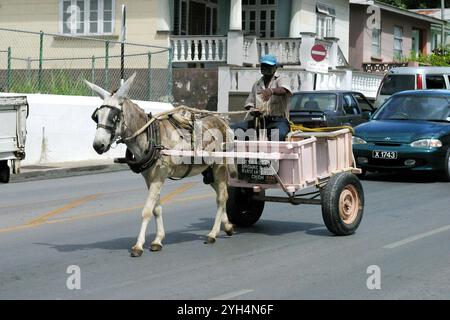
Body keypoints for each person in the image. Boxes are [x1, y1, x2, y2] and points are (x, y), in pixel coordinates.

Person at [232, 54, 292, 141]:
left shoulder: (281, 79)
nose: (266, 68)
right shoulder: (257, 84)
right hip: (259, 121)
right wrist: (253, 110)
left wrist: (271, 91)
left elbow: (284, 90)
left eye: (269, 66)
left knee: (278, 135)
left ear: (275, 68)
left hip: (278, 121)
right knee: (233, 129)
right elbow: (249, 103)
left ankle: (273, 154)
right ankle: (241, 153)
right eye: (264, 66)